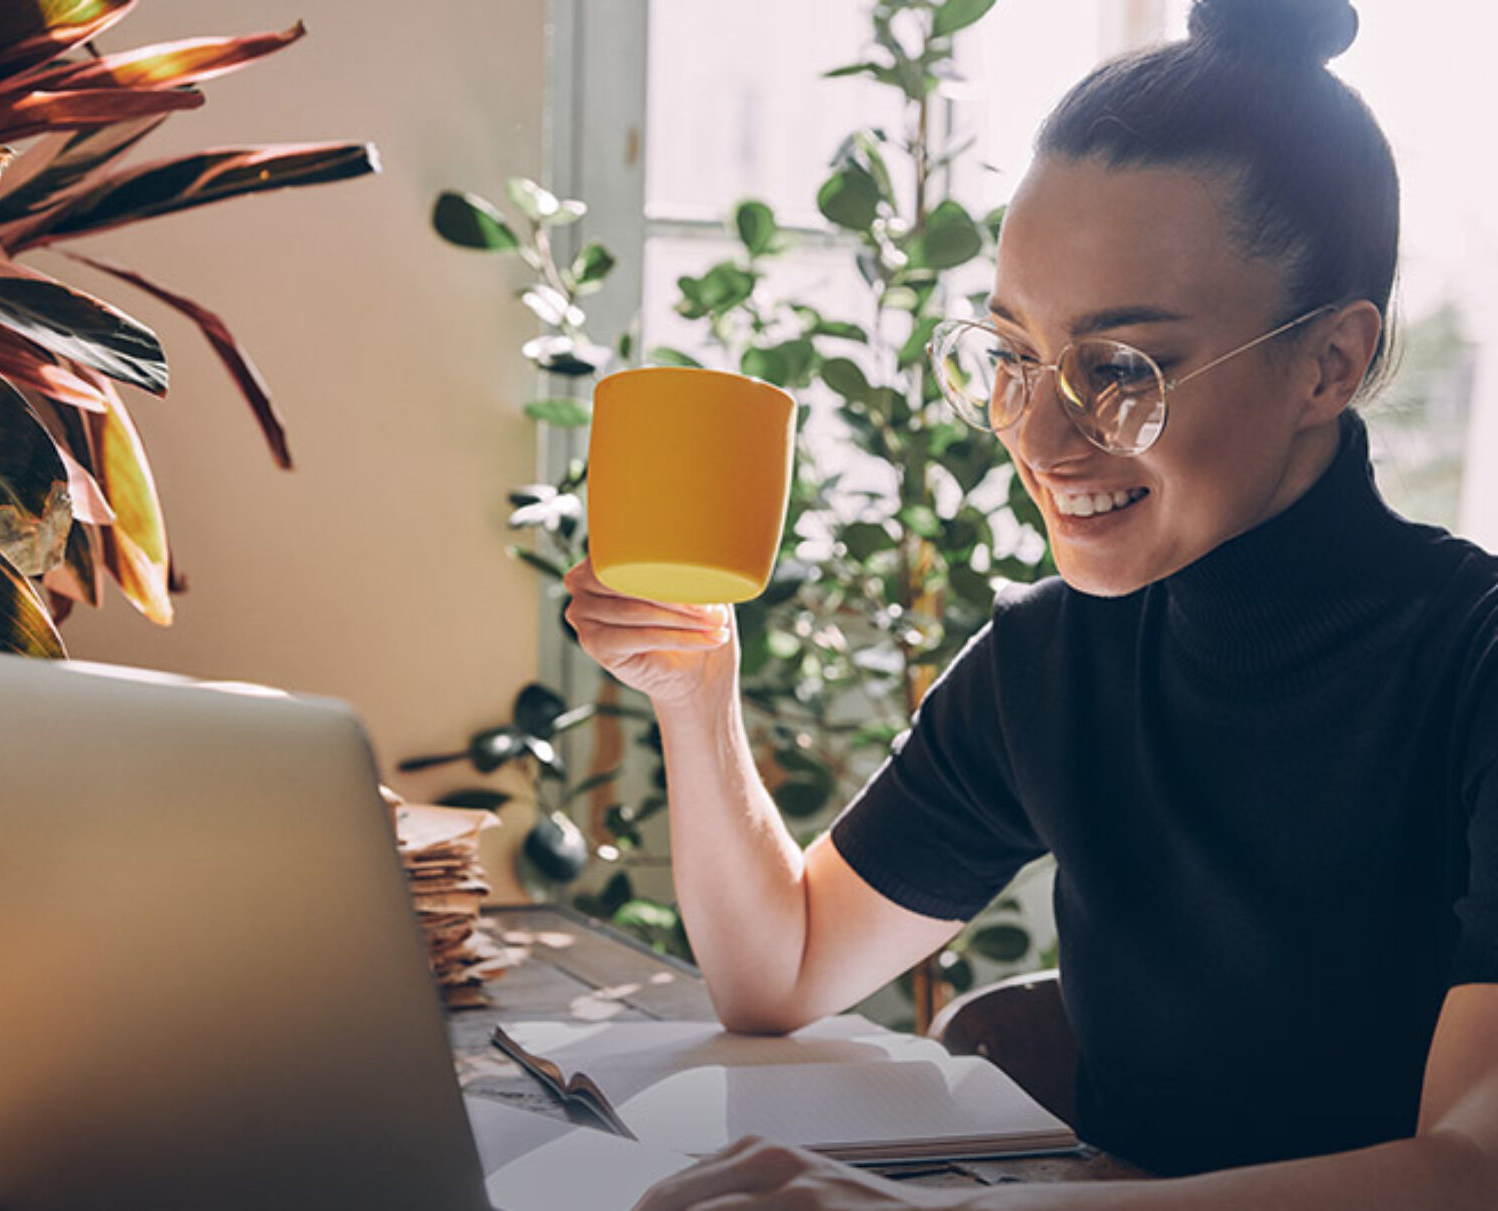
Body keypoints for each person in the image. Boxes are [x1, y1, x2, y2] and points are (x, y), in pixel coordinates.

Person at [562, 0, 1498, 1205]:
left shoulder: (1472, 665)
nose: (1040, 437)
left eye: (1118, 368)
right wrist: (695, 691)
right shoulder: (1055, 656)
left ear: (1329, 361)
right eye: (1010, 357)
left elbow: (1474, 1169)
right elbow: (779, 969)